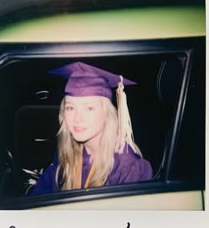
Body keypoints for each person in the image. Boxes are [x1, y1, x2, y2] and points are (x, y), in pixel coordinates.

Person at [29, 62, 153, 195]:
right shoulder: (66, 154)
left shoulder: (127, 168)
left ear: (107, 114)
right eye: (70, 107)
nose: (77, 118)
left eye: (89, 108)